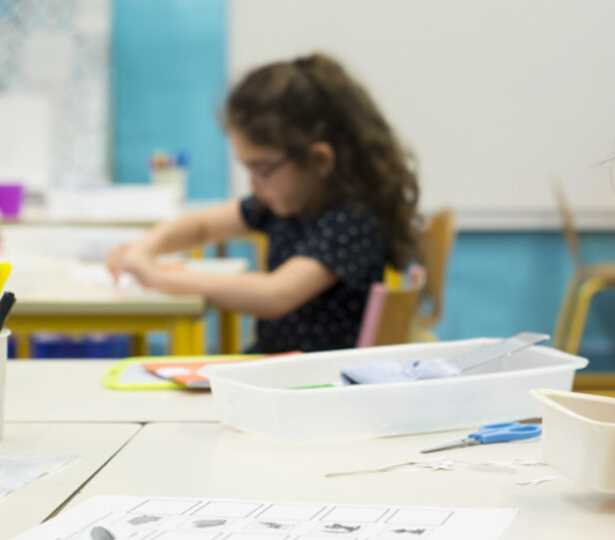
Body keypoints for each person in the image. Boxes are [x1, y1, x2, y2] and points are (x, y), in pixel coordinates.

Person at [107, 53, 420, 353]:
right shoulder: (281, 202)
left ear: (319, 160)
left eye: (263, 168)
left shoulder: (353, 220)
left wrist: (158, 278)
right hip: (278, 371)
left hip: (314, 385)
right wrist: (145, 248)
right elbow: (201, 226)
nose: (254, 183)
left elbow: (276, 294)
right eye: (248, 168)